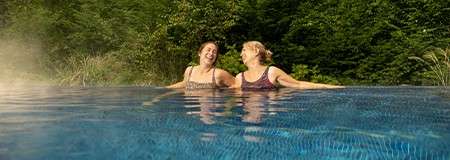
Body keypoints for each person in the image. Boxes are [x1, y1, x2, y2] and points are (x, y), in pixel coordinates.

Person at [232, 41, 343, 90]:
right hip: (246, 120)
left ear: (256, 51)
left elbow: (298, 85)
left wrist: (331, 87)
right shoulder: (239, 78)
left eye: (244, 50)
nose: (241, 54)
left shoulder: (271, 72)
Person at [167, 41, 235, 89]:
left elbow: (238, 85)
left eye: (214, 52)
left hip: (211, 107)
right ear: (199, 53)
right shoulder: (190, 70)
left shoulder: (219, 74)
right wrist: (166, 89)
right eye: (208, 50)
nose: (211, 53)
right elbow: (184, 84)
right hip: (191, 106)